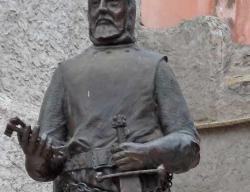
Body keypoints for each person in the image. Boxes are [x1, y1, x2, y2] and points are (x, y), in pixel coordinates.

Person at [7, 0, 200, 191]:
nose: (101, 10)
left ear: (130, 10)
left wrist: (148, 153)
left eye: (113, 3)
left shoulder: (156, 67)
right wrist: (36, 158)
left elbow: (189, 146)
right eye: (94, 4)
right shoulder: (65, 74)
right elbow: (47, 167)